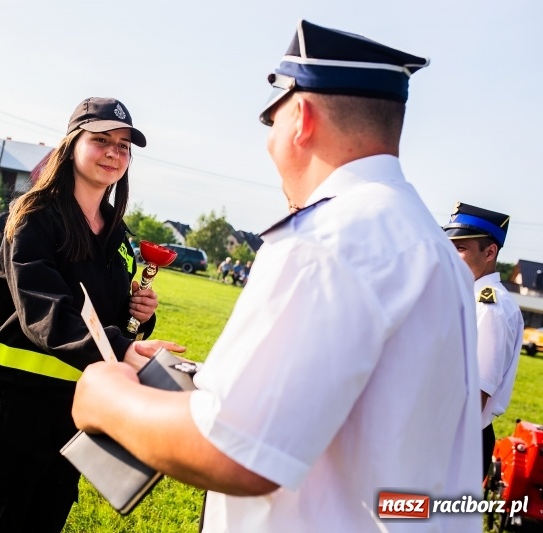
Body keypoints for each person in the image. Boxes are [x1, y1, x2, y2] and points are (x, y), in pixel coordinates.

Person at [72, 21, 483, 533]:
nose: (269, 140)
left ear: (301, 119)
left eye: (271, 117)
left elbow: (235, 452)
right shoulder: (427, 241)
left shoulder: (329, 237)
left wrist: (107, 398)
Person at [0, 97, 183, 532]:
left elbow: (105, 314)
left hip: (74, 412)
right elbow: (44, 309)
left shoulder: (114, 232)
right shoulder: (34, 217)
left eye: (125, 146)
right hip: (15, 411)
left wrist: (139, 316)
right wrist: (121, 348)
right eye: (102, 140)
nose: (114, 152)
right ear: (73, 144)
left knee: (44, 521)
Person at [443, 202, 524, 478]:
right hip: (451, 434)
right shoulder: (469, 298)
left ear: (490, 252)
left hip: (457, 439)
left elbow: (475, 393)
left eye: (461, 248)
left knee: (421, 517)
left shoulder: (489, 306)